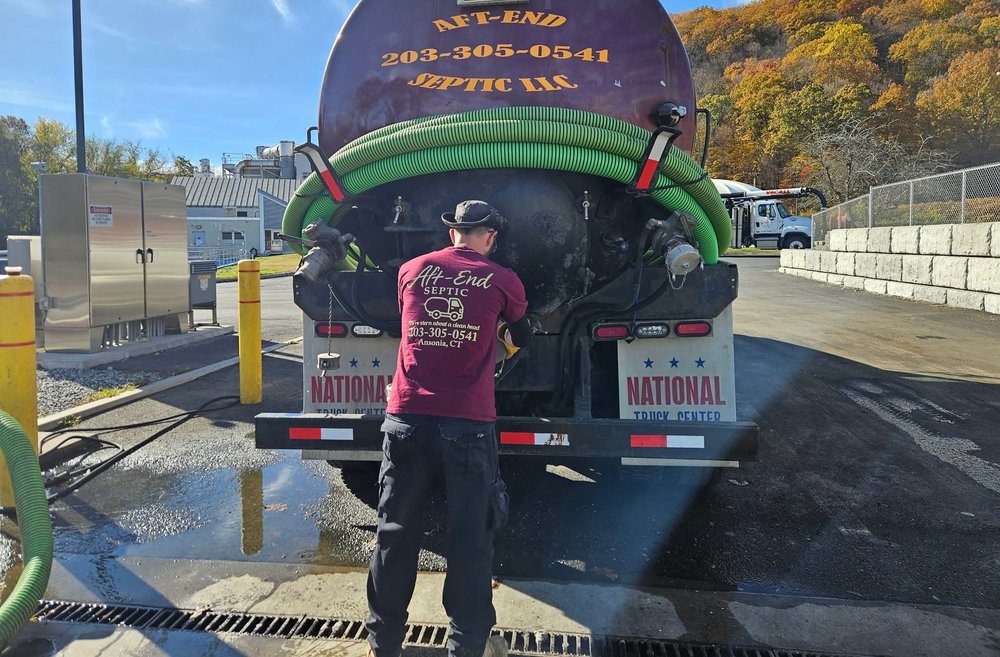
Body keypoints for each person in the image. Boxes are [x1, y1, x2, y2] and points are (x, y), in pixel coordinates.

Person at [366, 200, 532, 657]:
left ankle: (383, 644)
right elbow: (521, 332)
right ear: (491, 238)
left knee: (395, 534)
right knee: (470, 539)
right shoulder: (504, 280)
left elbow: (409, 319)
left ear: (452, 234)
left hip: (405, 419)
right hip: (468, 426)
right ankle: (466, 646)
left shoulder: (412, 270)